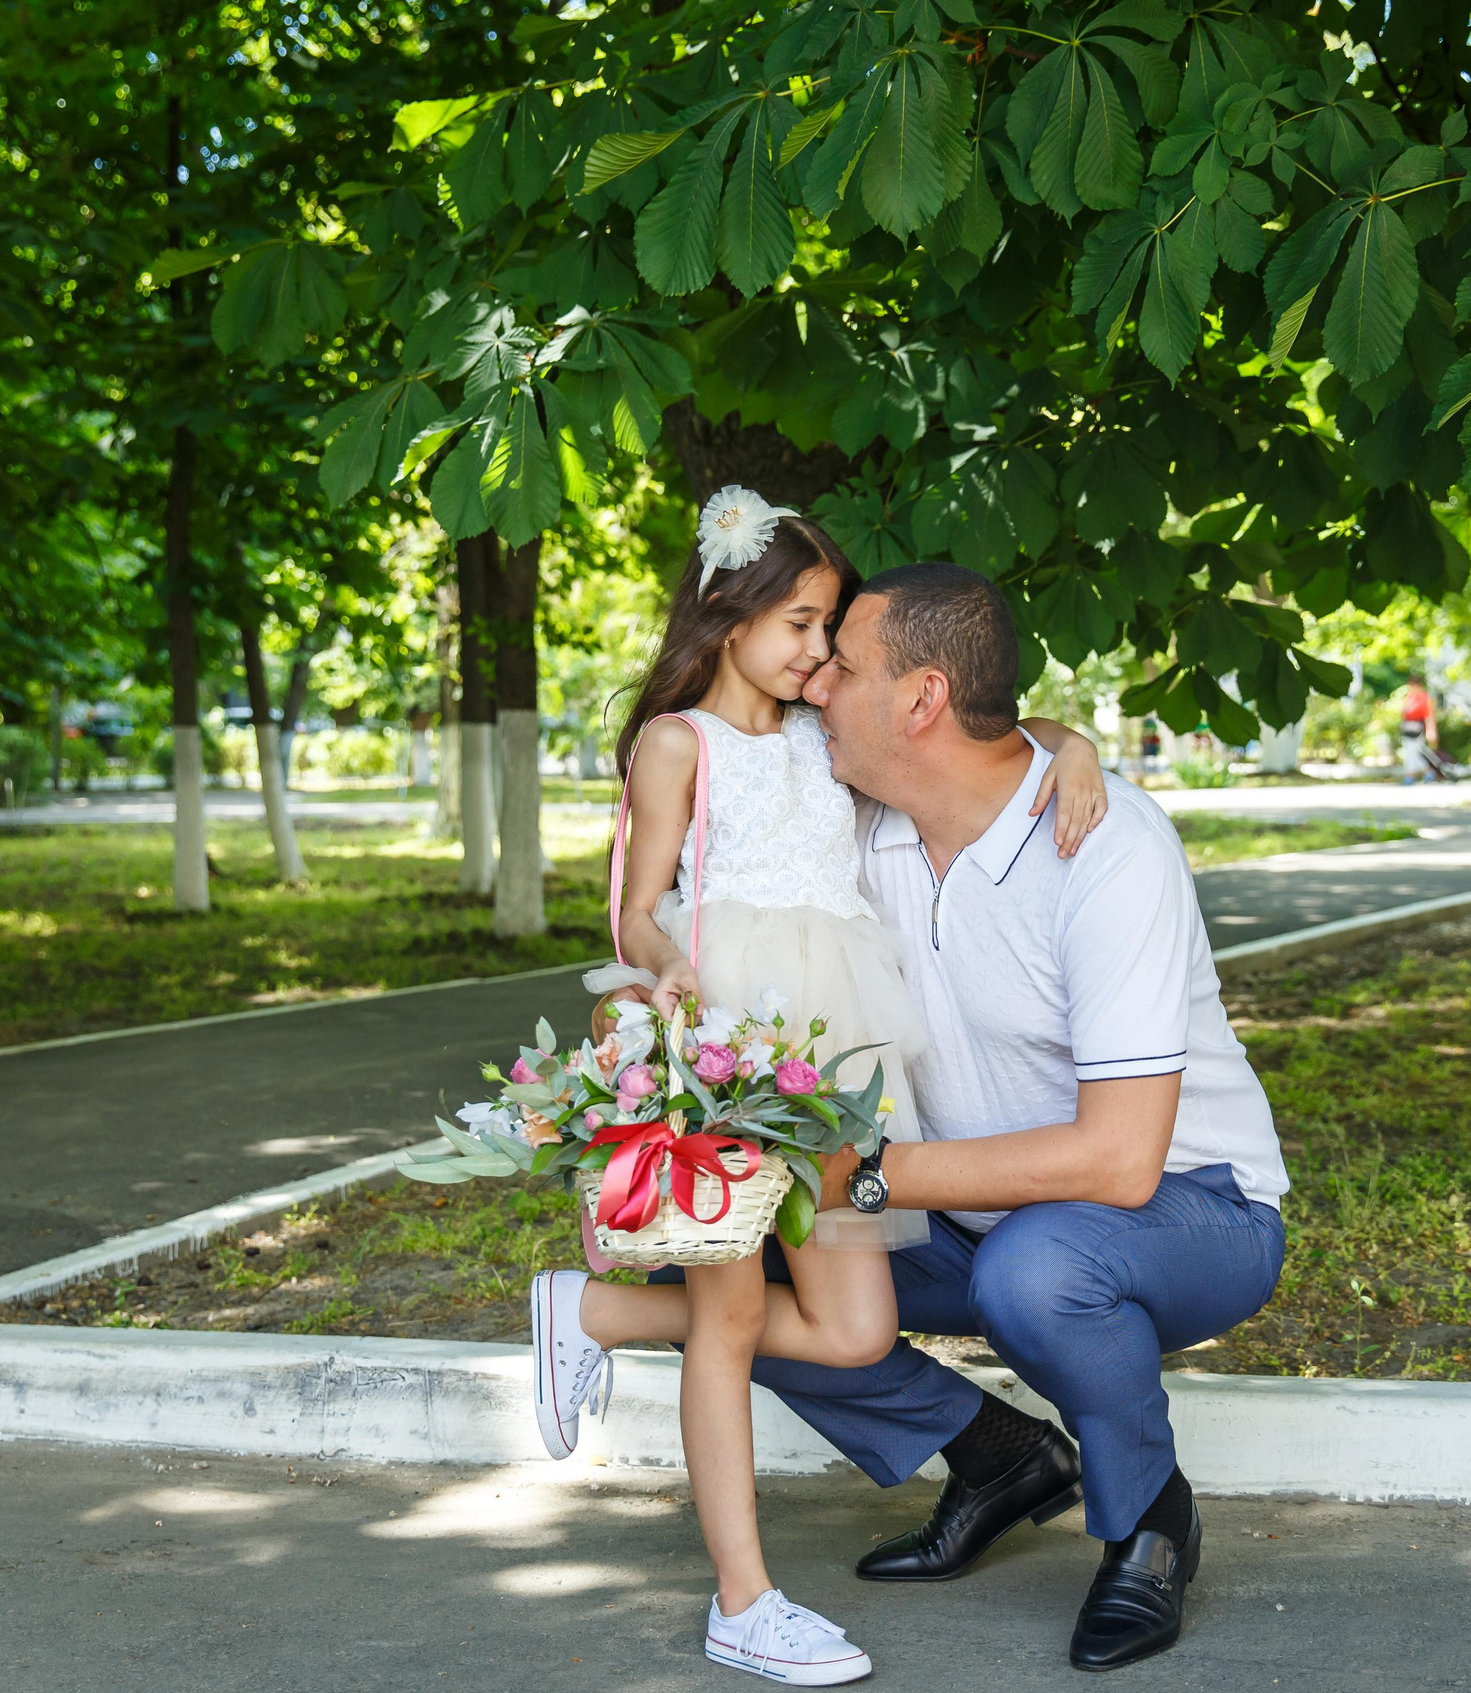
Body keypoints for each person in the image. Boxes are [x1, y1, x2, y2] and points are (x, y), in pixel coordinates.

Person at [586, 563, 1287, 1673]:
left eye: (843, 666)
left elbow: (1116, 1162)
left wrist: (861, 1175)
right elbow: (689, 899)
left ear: (916, 702)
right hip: (971, 1210)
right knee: (733, 1271)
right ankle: (996, 1455)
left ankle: (1148, 1520)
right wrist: (640, 1018)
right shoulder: (864, 829)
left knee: (1038, 1270)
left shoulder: (1105, 851)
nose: (815, 686)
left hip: (1185, 1211)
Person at [526, 488, 1111, 1686]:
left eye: (827, 626)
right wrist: (671, 970)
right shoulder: (678, 740)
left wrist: (1077, 744)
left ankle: (592, 1311)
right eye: (798, 622)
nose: (813, 650)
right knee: (734, 1320)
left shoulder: (820, 741)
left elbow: (972, 723)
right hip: (727, 1044)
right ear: (726, 611)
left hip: (835, 1056)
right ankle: (743, 1601)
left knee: (855, 1330)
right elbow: (634, 903)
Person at [1398, 678, 1438, 783]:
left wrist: (1431, 731)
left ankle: (1410, 775)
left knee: (1412, 752)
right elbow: (1404, 714)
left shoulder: (1424, 698)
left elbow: (1429, 716)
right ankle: (1428, 772)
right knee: (1412, 752)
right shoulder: (1409, 697)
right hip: (1408, 729)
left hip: (1418, 730)